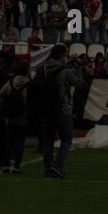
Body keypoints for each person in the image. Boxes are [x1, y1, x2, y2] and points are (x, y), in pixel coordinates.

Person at [42, 44, 80, 179]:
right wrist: (77, 67)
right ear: (62, 55)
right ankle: (56, 166)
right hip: (63, 108)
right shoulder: (65, 71)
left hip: (47, 108)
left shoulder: (45, 68)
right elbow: (78, 83)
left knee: (48, 141)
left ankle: (47, 168)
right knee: (66, 140)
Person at [0, 57, 30, 174]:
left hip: (10, 116)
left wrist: (4, 109)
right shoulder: (28, 84)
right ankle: (17, 165)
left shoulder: (10, 82)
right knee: (19, 142)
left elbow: (0, 95)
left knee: (9, 141)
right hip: (22, 116)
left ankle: (6, 164)